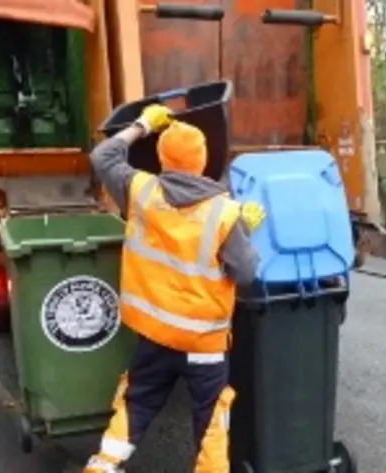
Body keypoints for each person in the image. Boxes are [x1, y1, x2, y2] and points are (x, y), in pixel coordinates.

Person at [84, 104, 266, 473]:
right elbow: (246, 274)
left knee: (137, 404)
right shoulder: (224, 213)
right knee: (211, 422)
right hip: (203, 344)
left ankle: (102, 468)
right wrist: (244, 230)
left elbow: (103, 155)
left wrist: (142, 125)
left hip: (156, 335)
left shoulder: (141, 191)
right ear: (202, 161)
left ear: (161, 156)